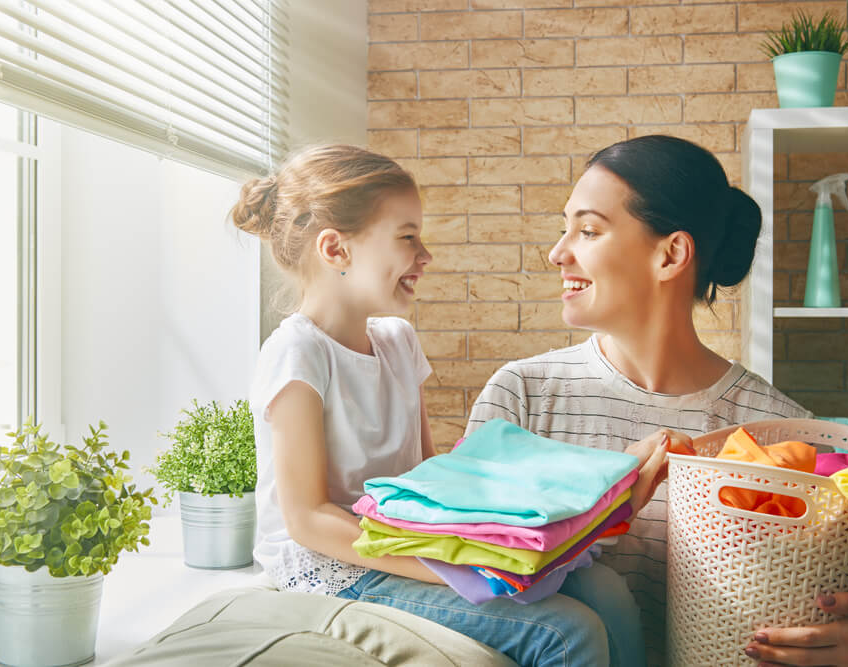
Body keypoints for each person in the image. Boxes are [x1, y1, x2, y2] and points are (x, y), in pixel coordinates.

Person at [466, 135, 848, 667]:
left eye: (589, 230)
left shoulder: (780, 434)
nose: (558, 252)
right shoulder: (524, 397)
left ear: (671, 254)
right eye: (565, 228)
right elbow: (455, 578)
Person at [231, 144, 659, 667]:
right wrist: (445, 570)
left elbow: (428, 479)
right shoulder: (299, 352)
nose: (425, 255)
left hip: (397, 547)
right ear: (336, 250)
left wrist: (491, 545)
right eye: (407, 238)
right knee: (566, 633)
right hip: (331, 566)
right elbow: (307, 519)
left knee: (608, 592)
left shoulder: (397, 340)